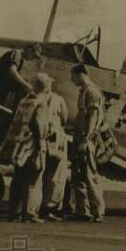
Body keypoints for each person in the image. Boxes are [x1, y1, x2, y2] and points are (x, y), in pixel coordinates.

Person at [0, 73, 51, 223]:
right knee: (33, 178)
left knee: (18, 178)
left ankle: (13, 212)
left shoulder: (25, 100)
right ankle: (29, 213)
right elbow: (39, 125)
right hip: (32, 144)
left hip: (19, 145)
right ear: (46, 87)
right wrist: (41, 143)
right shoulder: (41, 103)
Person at [70, 64, 106, 223]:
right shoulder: (83, 91)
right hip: (79, 138)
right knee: (78, 175)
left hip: (86, 140)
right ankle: (82, 211)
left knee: (89, 176)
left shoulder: (91, 92)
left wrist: (86, 139)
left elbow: (93, 116)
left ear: (80, 74)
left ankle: (98, 211)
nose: (72, 79)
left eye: (73, 76)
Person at [40, 84, 69, 221]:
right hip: (55, 140)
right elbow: (65, 119)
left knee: (39, 173)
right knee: (56, 175)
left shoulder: (34, 99)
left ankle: (36, 207)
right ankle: (49, 208)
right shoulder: (58, 99)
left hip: (41, 140)